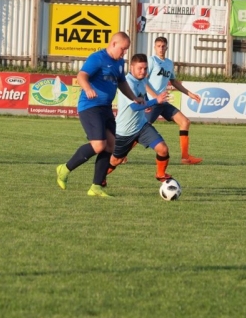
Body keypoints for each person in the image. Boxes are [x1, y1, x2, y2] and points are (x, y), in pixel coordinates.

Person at [56, 32, 141, 197]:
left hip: (106, 108)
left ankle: (96, 187)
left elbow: (122, 82)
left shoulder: (119, 62)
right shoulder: (97, 58)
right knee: (99, 145)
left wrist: (134, 97)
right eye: (123, 49)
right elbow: (81, 75)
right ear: (113, 44)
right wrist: (88, 89)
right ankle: (64, 169)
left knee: (110, 145)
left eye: (126, 50)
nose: (124, 53)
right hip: (90, 107)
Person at [106, 54, 172, 182]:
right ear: (131, 67)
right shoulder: (127, 83)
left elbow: (142, 96)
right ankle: (100, 179)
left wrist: (146, 103)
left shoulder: (143, 79)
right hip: (125, 130)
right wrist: (155, 101)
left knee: (163, 149)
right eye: (140, 68)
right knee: (116, 160)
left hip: (141, 126)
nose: (143, 71)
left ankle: (160, 174)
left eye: (145, 68)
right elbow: (134, 107)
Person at [146, 36, 203, 164]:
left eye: (163, 46)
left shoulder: (169, 63)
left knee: (185, 122)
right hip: (152, 102)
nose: (161, 48)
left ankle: (185, 157)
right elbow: (143, 81)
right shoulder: (151, 60)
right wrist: (154, 97)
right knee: (142, 128)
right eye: (158, 46)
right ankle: (120, 155)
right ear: (154, 47)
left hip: (163, 102)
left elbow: (174, 82)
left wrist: (190, 94)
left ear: (166, 47)